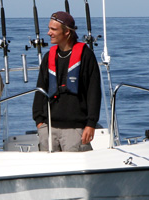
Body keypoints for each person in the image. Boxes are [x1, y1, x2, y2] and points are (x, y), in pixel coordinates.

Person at [32, 11, 101, 152]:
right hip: (48, 128)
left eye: (53, 29)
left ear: (67, 32)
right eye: (49, 28)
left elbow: (94, 91)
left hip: (75, 129)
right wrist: (39, 120)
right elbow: (40, 89)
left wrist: (91, 124)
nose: (49, 33)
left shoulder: (86, 56)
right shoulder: (48, 57)